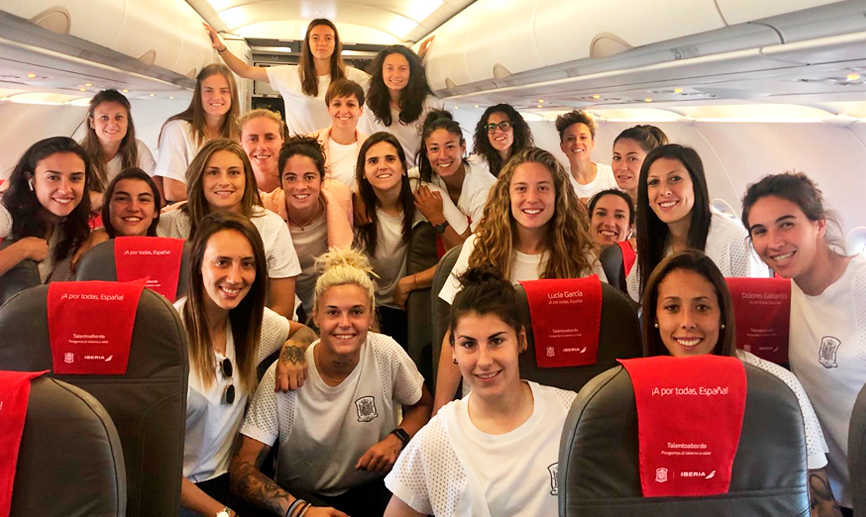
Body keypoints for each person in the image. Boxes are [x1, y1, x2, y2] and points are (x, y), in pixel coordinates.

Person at [229, 248, 432, 517]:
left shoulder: (386, 352)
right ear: (316, 317)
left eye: (356, 312)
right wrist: (298, 510)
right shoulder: (284, 375)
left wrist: (398, 437)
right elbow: (242, 470)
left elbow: (423, 405)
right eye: (333, 312)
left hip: (375, 488)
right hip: (305, 500)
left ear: (371, 317)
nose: (344, 323)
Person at [641, 249, 839, 517]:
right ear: (655, 317)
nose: (687, 322)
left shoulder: (777, 386)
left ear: (722, 315)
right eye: (672, 307)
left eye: (702, 307)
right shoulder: (634, 391)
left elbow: (820, 500)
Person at [384, 266, 576, 517]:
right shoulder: (439, 437)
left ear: (521, 340)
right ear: (453, 349)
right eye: (468, 344)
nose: (483, 360)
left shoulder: (570, 413)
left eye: (496, 341)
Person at [434, 147, 605, 413]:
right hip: (486, 393)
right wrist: (439, 415)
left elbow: (598, 331)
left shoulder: (580, 257)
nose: (532, 198)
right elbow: (454, 337)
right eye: (521, 188)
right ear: (507, 195)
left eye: (543, 188)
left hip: (557, 400)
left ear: (558, 195)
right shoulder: (479, 248)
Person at [177, 211, 318, 517]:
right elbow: (152, 461)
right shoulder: (169, 334)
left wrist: (293, 349)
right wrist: (223, 515)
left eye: (247, 264)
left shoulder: (250, 324)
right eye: (222, 262)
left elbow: (304, 330)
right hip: (180, 494)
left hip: (231, 483)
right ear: (198, 263)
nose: (235, 277)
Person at [742, 172, 862, 515]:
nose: (774, 242)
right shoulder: (783, 295)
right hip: (840, 493)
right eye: (760, 231)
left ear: (819, 225)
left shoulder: (861, 285)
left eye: (786, 224)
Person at [158, 139, 300, 319]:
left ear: (246, 178)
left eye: (233, 173)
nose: (224, 181)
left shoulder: (271, 225)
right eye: (213, 173)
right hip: (186, 332)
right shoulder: (170, 224)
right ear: (199, 178)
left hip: (256, 331)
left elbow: (282, 308)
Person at [355, 132, 469, 348]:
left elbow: (467, 253)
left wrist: (437, 218)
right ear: (362, 172)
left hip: (420, 303)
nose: (382, 166)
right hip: (375, 308)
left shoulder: (425, 194)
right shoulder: (357, 210)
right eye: (373, 161)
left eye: (390, 159)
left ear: (403, 167)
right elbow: (355, 273)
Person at [627, 144, 768, 303]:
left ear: (696, 183)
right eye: (653, 182)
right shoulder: (654, 238)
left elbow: (755, 307)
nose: (664, 191)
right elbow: (638, 293)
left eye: (675, 179)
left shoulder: (734, 239)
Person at [205, 19, 370, 136]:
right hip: (301, 150)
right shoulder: (290, 75)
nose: (322, 43)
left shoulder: (351, 76)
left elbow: (383, 83)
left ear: (336, 44)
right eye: (316, 38)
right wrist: (221, 47)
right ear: (308, 43)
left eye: (328, 38)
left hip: (338, 148)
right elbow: (246, 71)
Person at [260, 136, 353, 318]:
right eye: (291, 178)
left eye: (309, 177)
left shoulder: (342, 198)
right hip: (282, 309)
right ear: (280, 181)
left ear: (322, 179)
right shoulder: (265, 209)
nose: (300, 186)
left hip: (329, 305)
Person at [0, 137, 91, 282]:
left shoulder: (68, 227)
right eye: (53, 177)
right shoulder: (4, 216)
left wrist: (99, 236)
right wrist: (21, 250)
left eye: (75, 178)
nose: (65, 190)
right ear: (31, 179)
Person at [155, 64, 241, 203]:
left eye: (224, 91)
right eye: (209, 90)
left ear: (233, 96)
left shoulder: (240, 132)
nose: (216, 97)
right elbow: (173, 191)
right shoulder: (177, 129)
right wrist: (221, 197)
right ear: (199, 95)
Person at [359, 45, 443, 166]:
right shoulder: (370, 107)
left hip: (423, 175)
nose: (396, 74)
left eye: (402, 69)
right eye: (389, 68)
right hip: (389, 175)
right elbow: (365, 145)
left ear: (411, 72)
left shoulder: (429, 104)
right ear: (381, 72)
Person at [415, 110, 496, 232]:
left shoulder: (482, 188)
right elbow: (405, 175)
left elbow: (479, 246)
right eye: (434, 149)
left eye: (450, 147)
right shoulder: (430, 175)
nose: (442, 156)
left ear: (463, 147)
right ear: (427, 153)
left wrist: (437, 217)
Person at [80, 89, 156, 210]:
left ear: (127, 122)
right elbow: (78, 200)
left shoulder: (138, 149)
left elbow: (156, 194)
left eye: (118, 117)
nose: (112, 124)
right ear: (92, 123)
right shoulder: (79, 154)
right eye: (104, 117)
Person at [309, 78, 369, 190]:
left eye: (350, 104)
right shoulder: (310, 142)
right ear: (328, 109)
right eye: (337, 104)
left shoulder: (370, 146)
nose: (343, 111)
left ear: (361, 110)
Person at [554, 110, 617, 202]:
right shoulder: (559, 180)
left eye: (583, 137)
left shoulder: (610, 175)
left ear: (592, 143)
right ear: (562, 147)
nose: (577, 142)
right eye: (570, 139)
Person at [471, 103, 534, 177]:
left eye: (504, 125)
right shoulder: (476, 165)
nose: (498, 131)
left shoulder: (531, 161)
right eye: (492, 127)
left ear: (515, 129)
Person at [611, 125, 668, 203]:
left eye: (632, 159)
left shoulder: (664, 205)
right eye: (617, 158)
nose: (622, 167)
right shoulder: (611, 204)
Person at [102, 168, 161, 238]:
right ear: (108, 207)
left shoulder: (170, 248)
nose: (133, 208)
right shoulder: (93, 247)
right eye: (122, 199)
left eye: (143, 200)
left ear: (155, 211)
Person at [240, 109, 287, 194]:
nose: (261, 147)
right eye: (253, 139)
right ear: (241, 143)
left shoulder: (298, 184)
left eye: (269, 138)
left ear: (282, 140)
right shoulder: (235, 189)